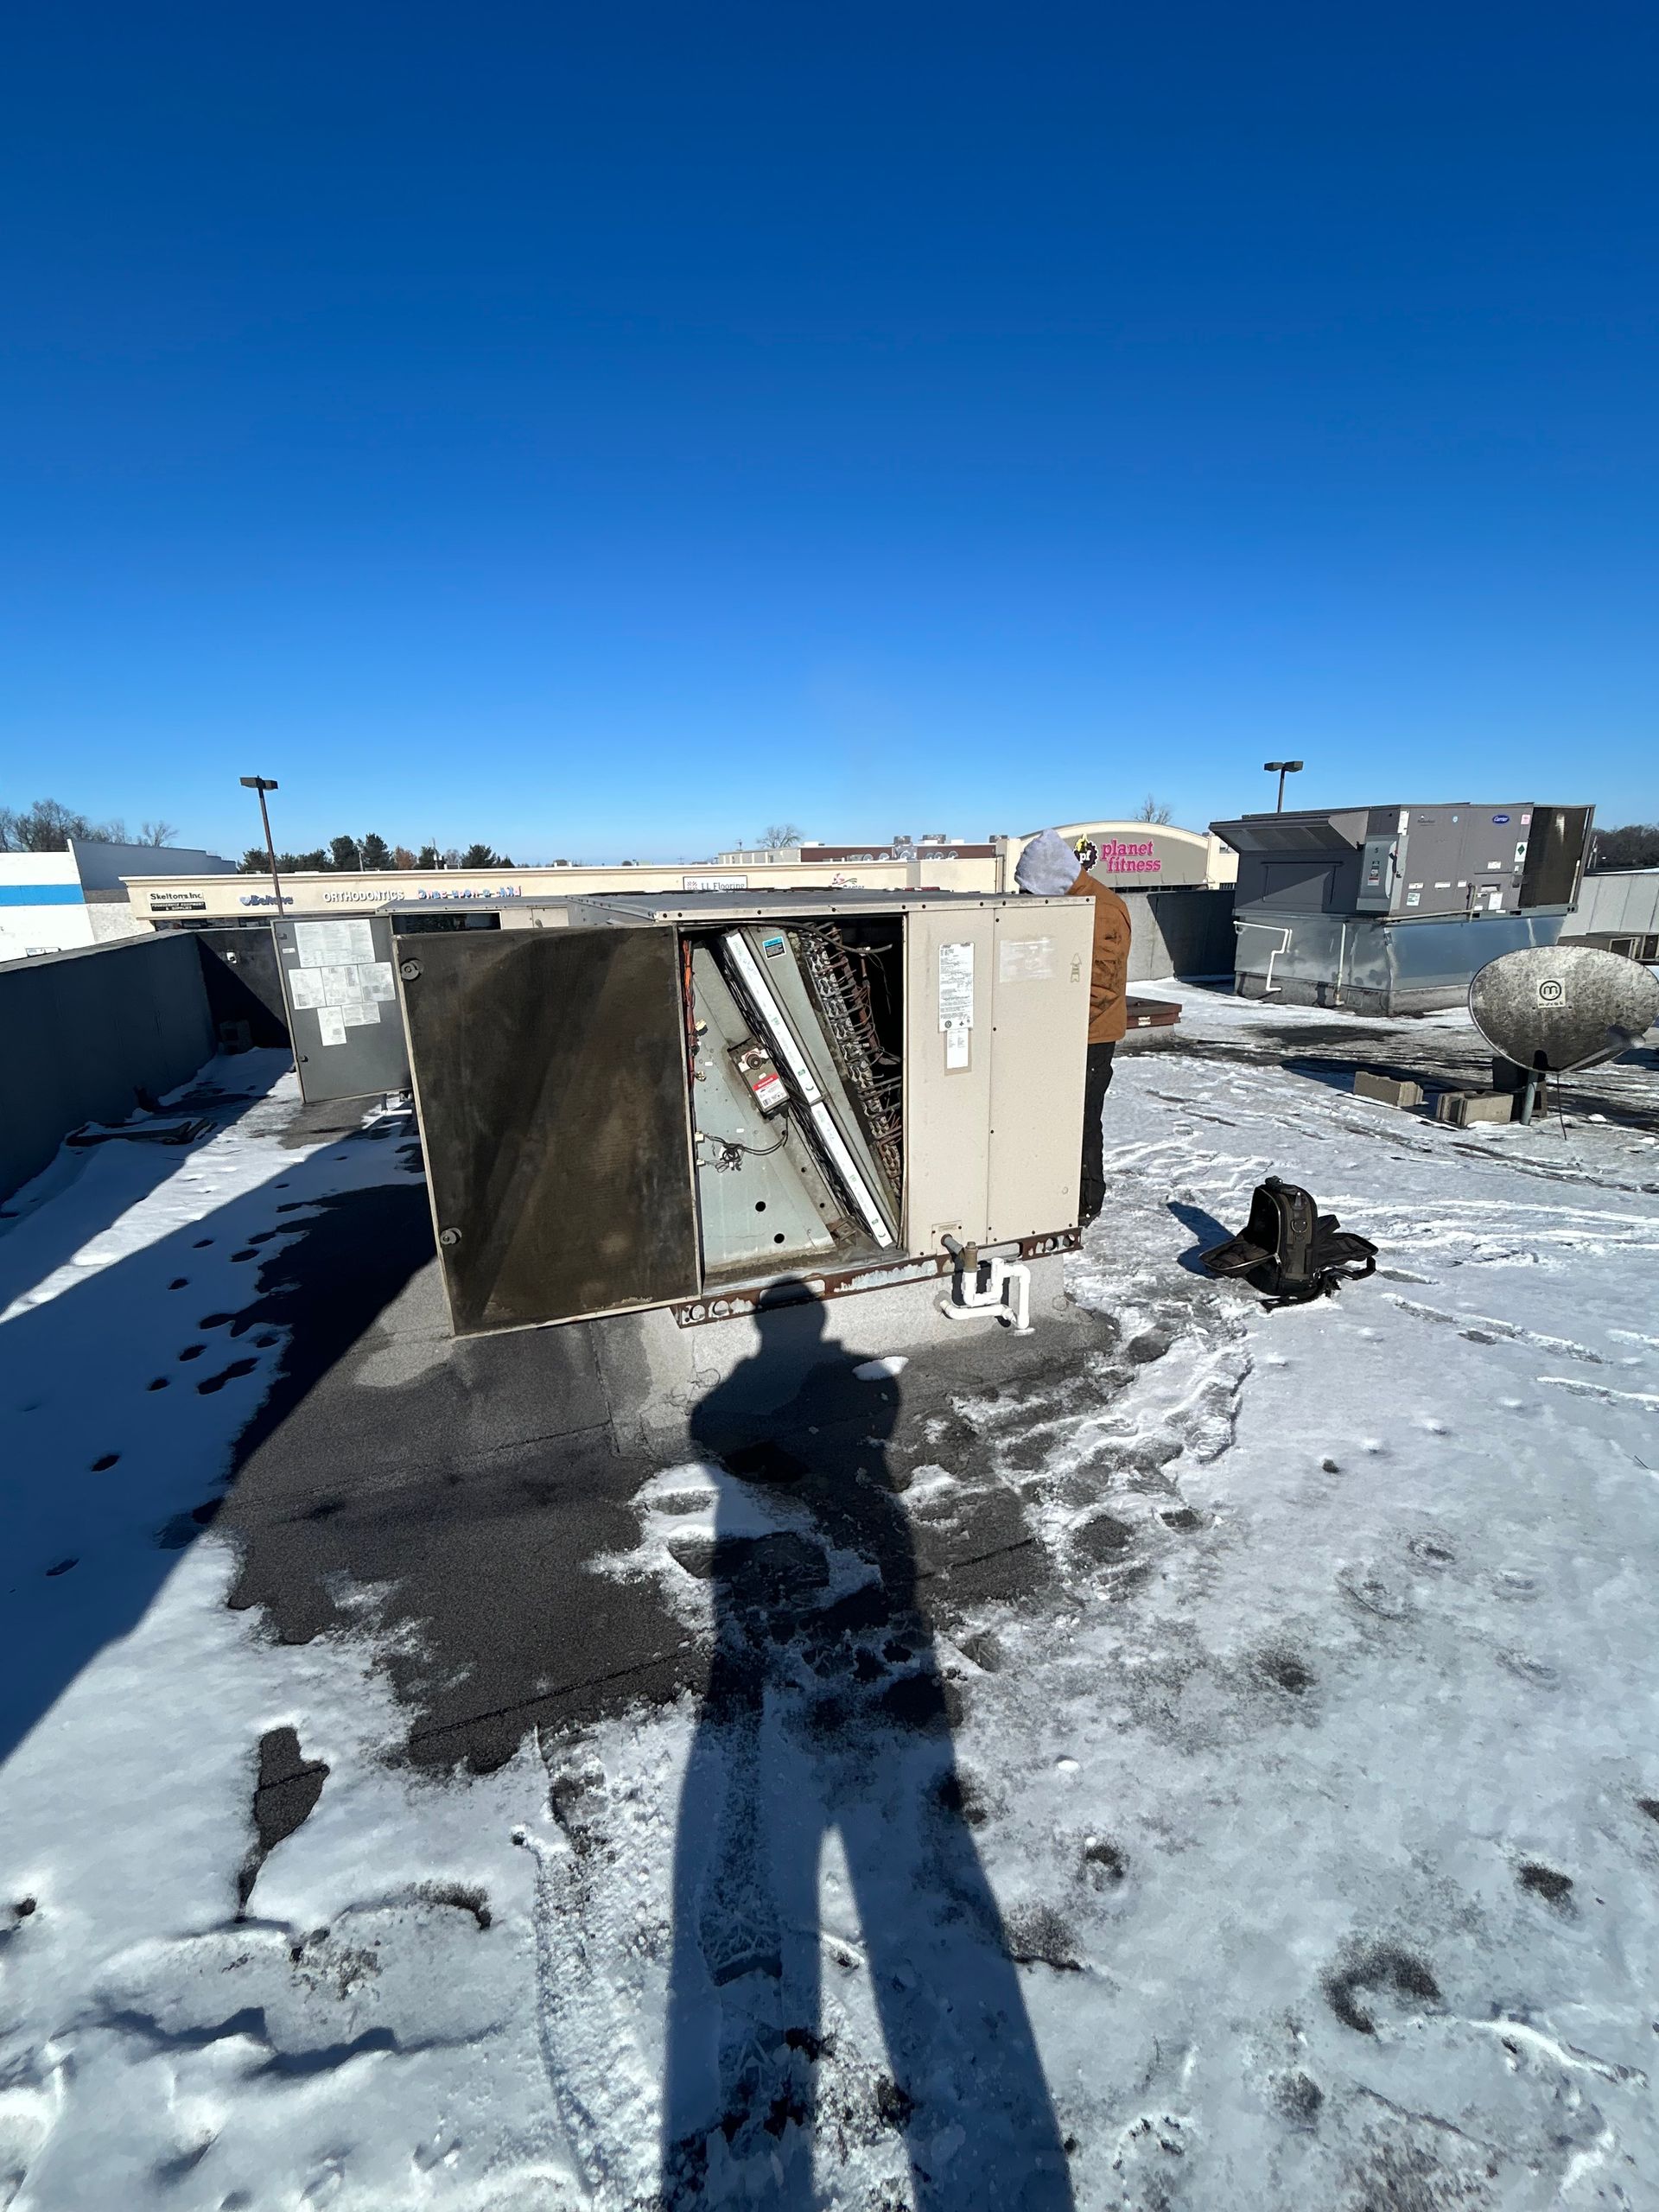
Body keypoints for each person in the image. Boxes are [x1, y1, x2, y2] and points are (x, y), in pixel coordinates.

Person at [1014, 829, 1131, 1227]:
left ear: (1051, 880)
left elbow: (1099, 989)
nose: (1026, 899)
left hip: (1089, 1038)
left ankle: (1084, 1200)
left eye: (1030, 890)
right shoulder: (1070, 903)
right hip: (1064, 1034)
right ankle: (1053, 1189)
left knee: (1080, 1118)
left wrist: (1050, 1026)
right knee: (1054, 1116)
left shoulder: (1100, 912)